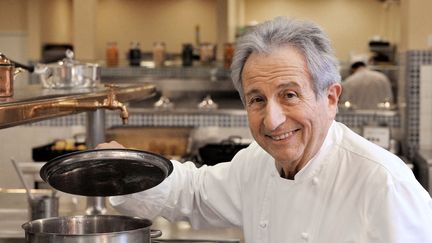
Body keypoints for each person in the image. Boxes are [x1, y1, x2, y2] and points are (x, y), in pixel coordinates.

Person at [99, 17, 432, 242]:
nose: (272, 121)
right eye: (257, 99)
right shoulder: (258, 163)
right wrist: (128, 170)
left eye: (289, 95)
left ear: (330, 99)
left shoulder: (384, 184)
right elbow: (194, 193)